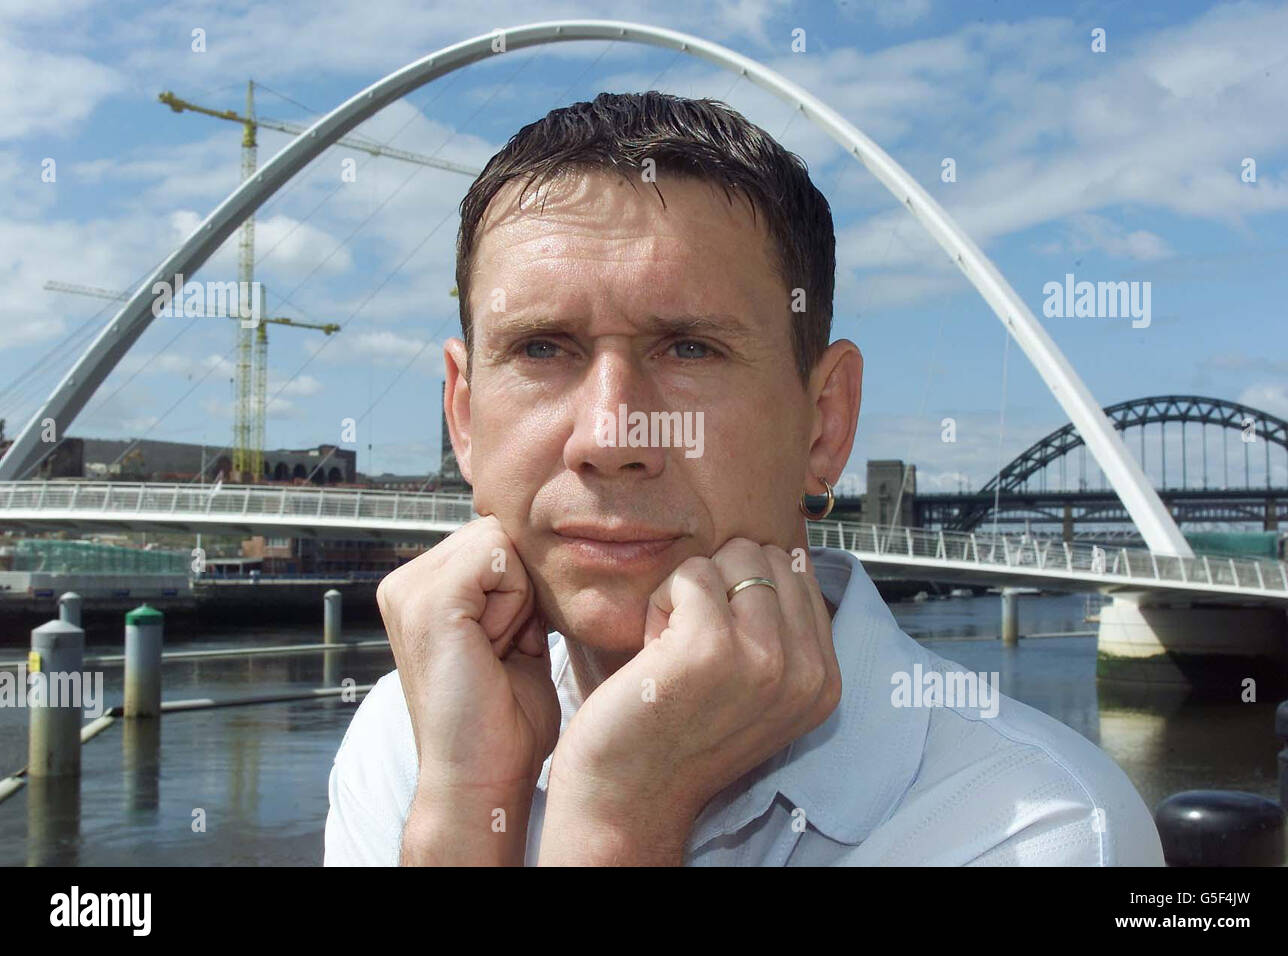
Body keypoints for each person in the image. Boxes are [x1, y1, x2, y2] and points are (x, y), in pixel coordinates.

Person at [324, 91, 1164, 866]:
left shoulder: (1031, 827)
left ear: (823, 424)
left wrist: (617, 816)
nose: (613, 438)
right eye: (543, 349)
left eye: (691, 349)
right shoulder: (410, 739)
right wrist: (469, 808)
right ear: (464, 419)